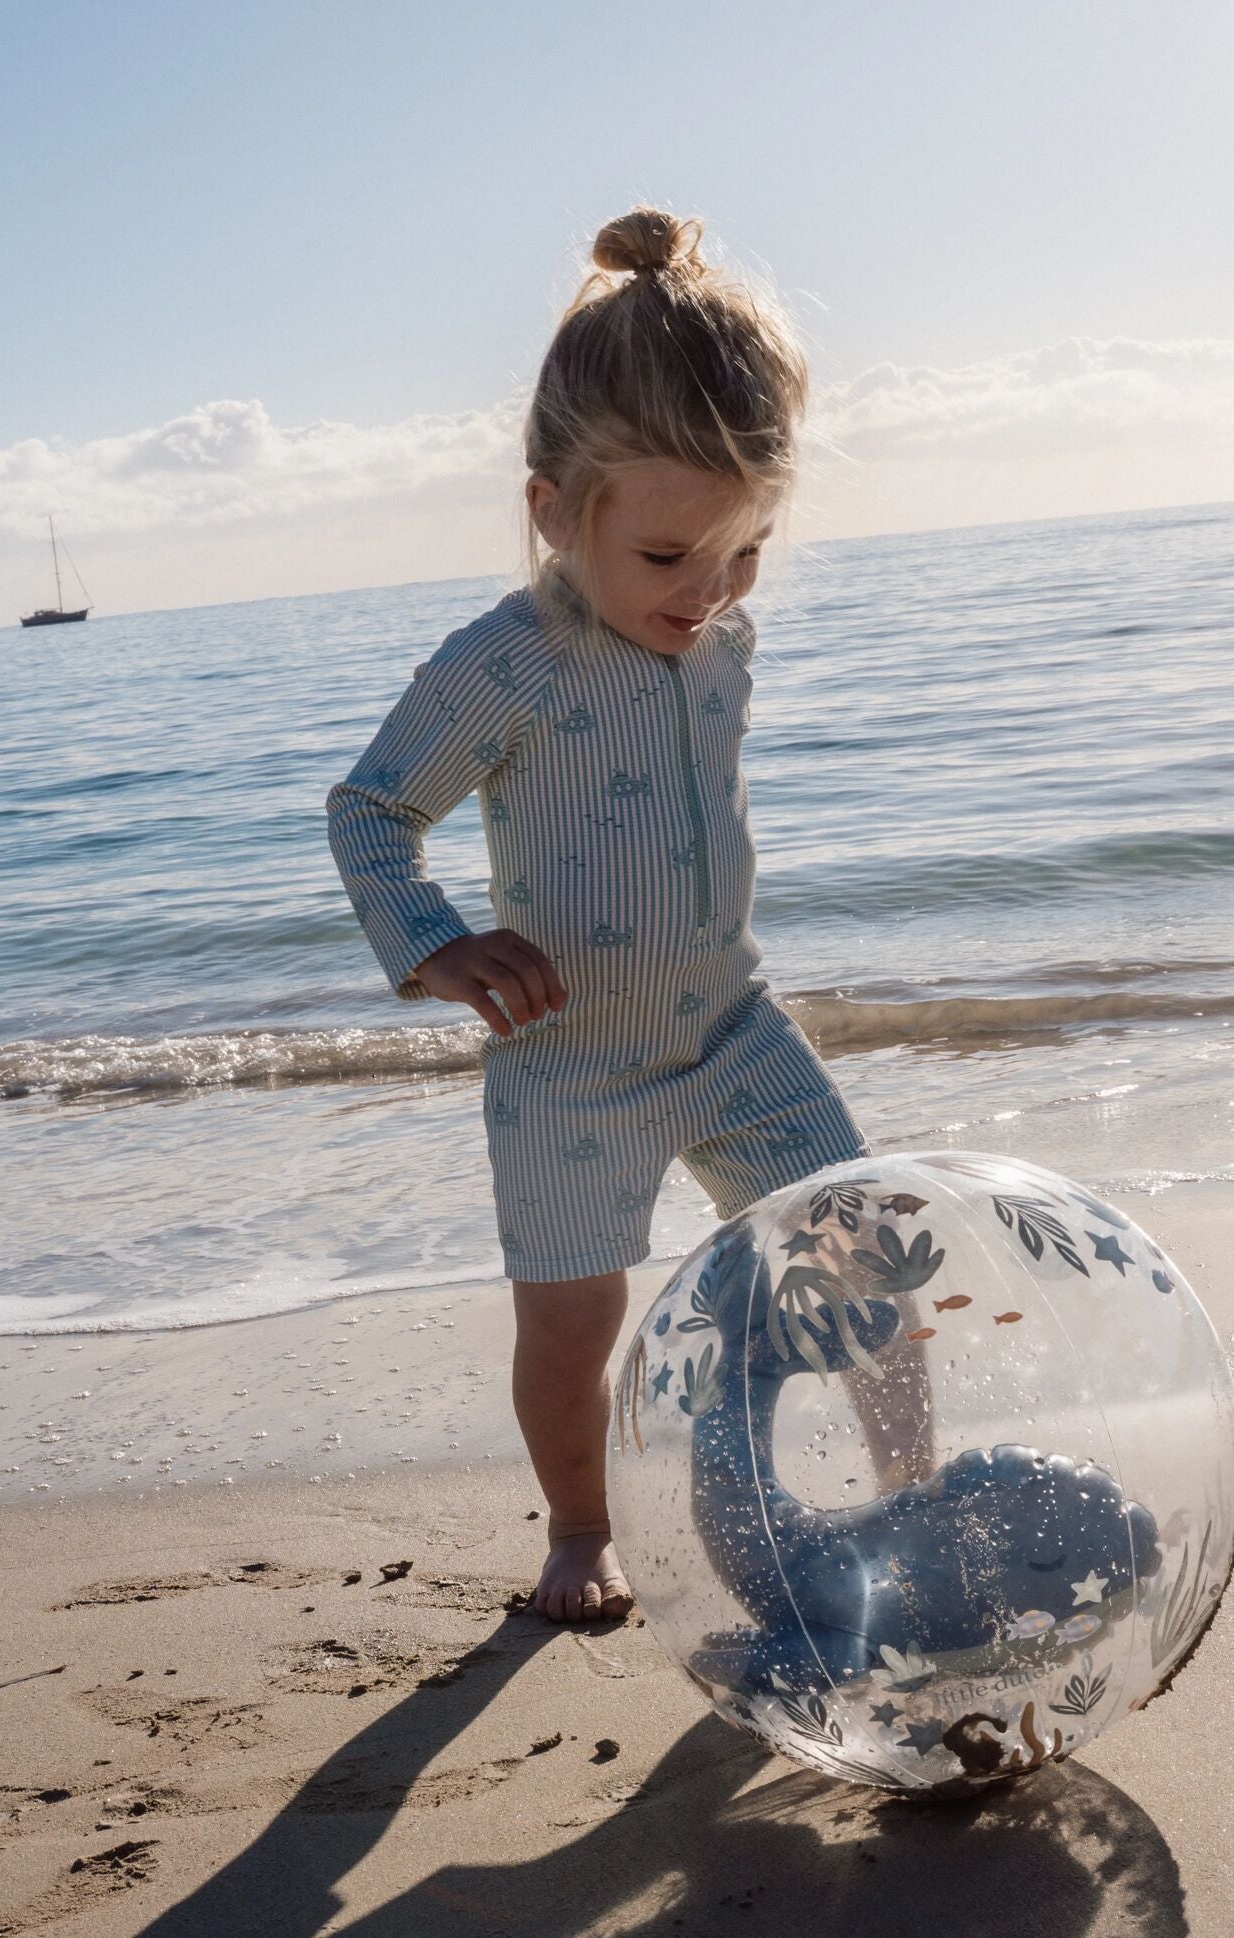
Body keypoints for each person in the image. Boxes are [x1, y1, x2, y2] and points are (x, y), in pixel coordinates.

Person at [328, 207, 928, 1623]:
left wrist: (707, 593)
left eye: (746, 554)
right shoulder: (504, 664)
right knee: (570, 1319)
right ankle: (579, 1526)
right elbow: (368, 812)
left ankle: (917, 1491)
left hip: (731, 1023)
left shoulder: (723, 636)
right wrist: (439, 946)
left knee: (858, 1243)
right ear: (555, 511)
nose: (710, 593)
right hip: (570, 1061)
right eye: (669, 558)